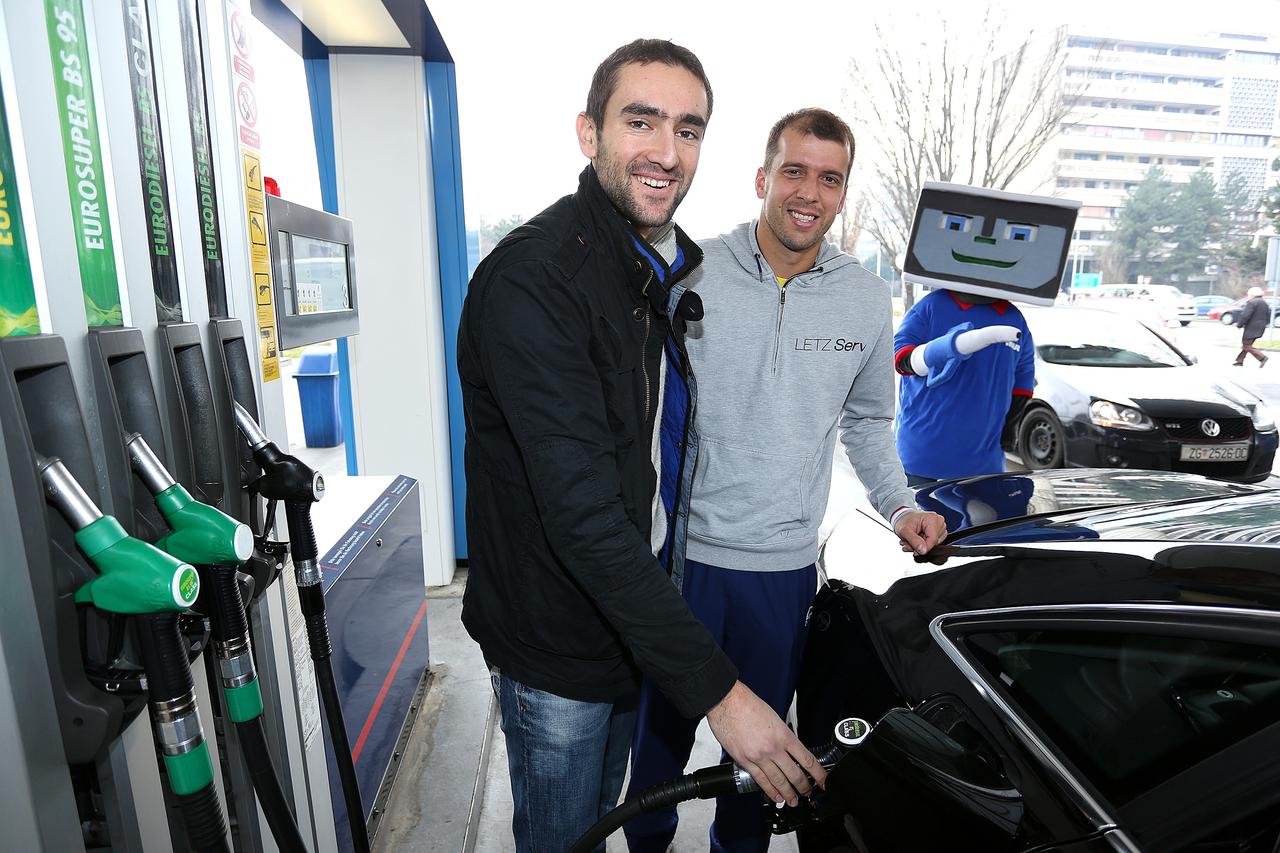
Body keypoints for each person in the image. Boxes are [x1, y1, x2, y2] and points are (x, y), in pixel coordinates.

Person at [456, 41, 823, 853]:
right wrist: (725, 696)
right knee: (564, 839)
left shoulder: (645, 268)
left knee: (602, 823)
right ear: (588, 134)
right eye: (641, 122)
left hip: (626, 625)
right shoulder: (536, 282)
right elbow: (583, 516)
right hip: (557, 644)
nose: (667, 152)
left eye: (688, 130)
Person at [623, 107, 947, 853]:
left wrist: (901, 505)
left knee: (763, 761)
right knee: (658, 756)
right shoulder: (689, 270)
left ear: (842, 194)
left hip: (781, 570)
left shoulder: (864, 300)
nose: (810, 191)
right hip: (681, 561)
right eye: (794, 171)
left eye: (829, 178)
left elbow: (867, 421)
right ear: (764, 178)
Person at [892, 183, 1080, 484]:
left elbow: (1022, 384)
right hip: (919, 460)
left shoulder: (1014, 320)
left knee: (977, 529)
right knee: (918, 529)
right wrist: (952, 347)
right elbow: (901, 360)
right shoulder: (931, 307)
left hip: (983, 465)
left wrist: (1008, 428)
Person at [1233, 286, 1271, 367]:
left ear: (1252, 294)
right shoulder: (1264, 303)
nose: (1248, 296)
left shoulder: (1252, 302)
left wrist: (1239, 324)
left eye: (1249, 294)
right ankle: (1239, 361)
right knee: (1247, 345)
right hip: (1260, 327)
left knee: (1246, 345)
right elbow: (1268, 315)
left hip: (1251, 328)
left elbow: (1245, 315)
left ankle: (1262, 357)